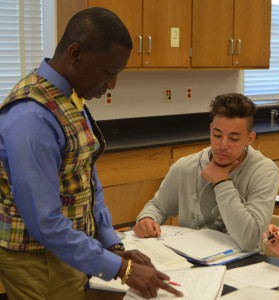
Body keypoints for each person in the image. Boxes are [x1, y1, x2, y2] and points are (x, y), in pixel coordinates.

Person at [0, 7, 183, 300]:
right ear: (76, 54)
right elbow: (45, 223)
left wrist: (113, 246)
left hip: (68, 250)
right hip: (39, 261)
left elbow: (85, 176)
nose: (112, 85)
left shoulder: (69, 97)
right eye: (108, 72)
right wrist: (123, 271)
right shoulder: (31, 118)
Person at [133, 93, 279, 251]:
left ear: (250, 139)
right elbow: (158, 207)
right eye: (217, 135)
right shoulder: (185, 167)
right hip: (191, 258)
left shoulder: (264, 172)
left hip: (242, 265)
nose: (222, 145)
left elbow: (250, 241)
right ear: (211, 129)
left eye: (234, 138)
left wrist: (221, 181)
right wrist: (147, 218)